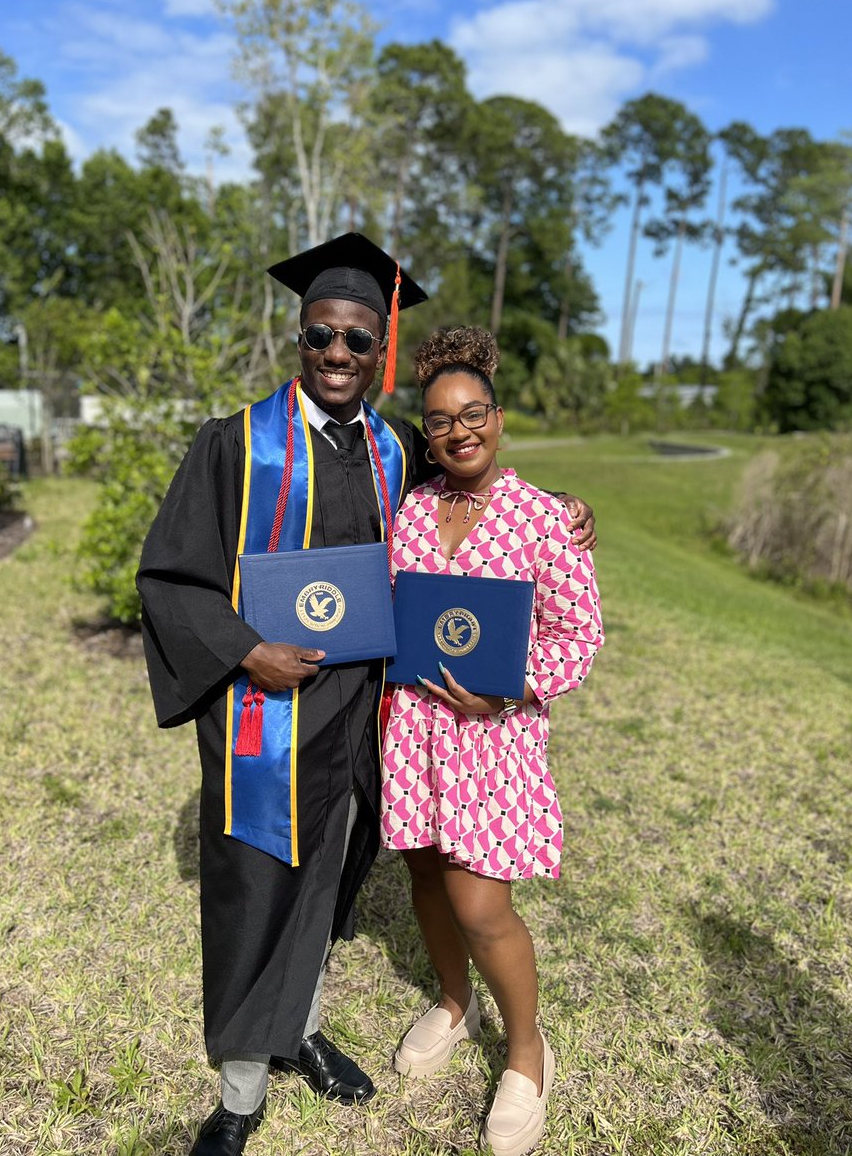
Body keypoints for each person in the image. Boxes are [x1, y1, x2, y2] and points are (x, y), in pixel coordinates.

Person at [137, 234, 596, 1156]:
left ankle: (301, 1032)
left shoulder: (394, 450)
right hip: (265, 714)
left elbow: (480, 492)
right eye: (320, 337)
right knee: (257, 885)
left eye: (356, 340)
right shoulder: (234, 445)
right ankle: (238, 1089)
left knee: (324, 885)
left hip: (367, 724)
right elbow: (170, 578)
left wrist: (572, 510)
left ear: (378, 349)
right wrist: (243, 650)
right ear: (298, 340)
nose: (338, 355)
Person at [380, 327, 603, 1156]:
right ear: (426, 433)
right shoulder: (409, 510)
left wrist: (510, 686)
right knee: (428, 880)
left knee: (481, 903)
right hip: (412, 732)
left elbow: (578, 634)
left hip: (491, 738)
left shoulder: (546, 519)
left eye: (473, 413)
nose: (458, 430)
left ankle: (524, 1051)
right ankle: (449, 999)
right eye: (439, 421)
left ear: (499, 418)